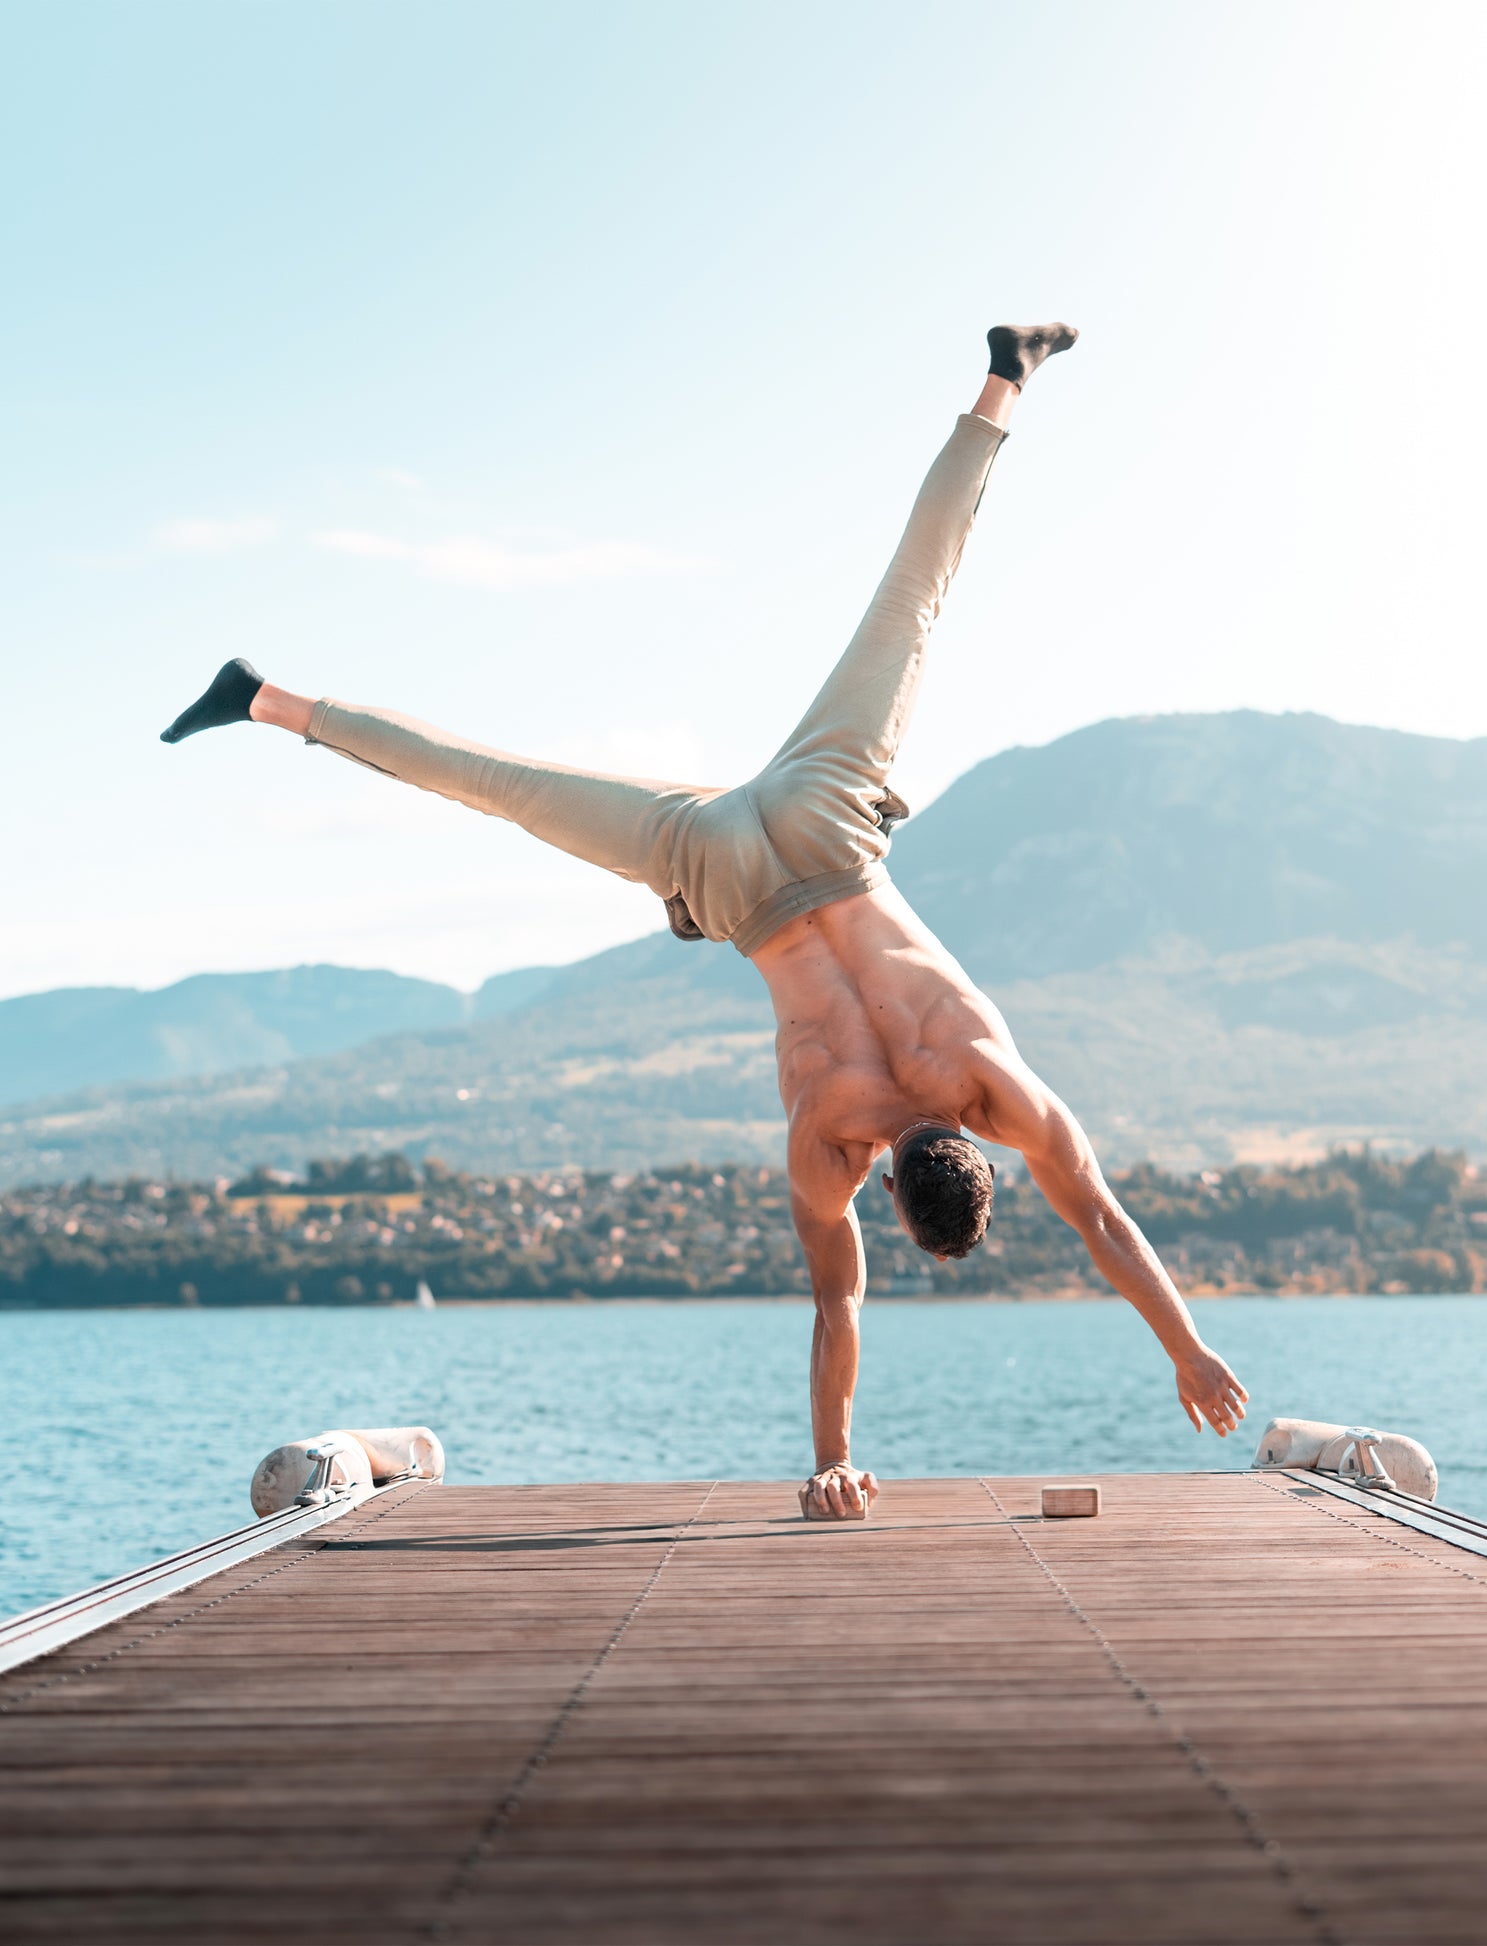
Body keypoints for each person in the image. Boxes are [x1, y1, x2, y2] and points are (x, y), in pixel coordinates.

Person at [160, 325, 1249, 1517]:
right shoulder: (829, 1149)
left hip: (829, 820)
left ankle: (1005, 376)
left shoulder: (992, 1080)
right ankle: (263, 701)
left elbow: (1097, 1213)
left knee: (915, 593)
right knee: (491, 780)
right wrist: (832, 1458)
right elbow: (839, 1306)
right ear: (893, 1190)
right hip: (723, 878)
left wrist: (1187, 1340)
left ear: (975, 1151)